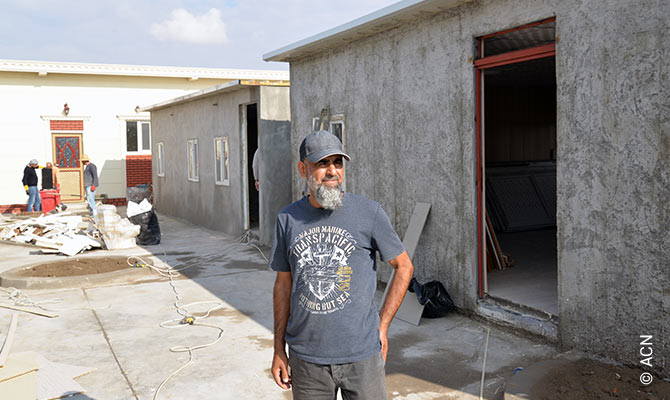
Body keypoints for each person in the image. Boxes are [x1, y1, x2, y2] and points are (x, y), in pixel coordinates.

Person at [270, 130, 414, 399]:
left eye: (338, 163)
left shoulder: (369, 212)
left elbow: (404, 266)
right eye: (322, 164)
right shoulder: (287, 220)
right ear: (303, 169)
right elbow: (283, 285)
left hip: (362, 356)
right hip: (307, 360)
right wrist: (279, 348)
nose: (332, 171)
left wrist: (382, 326)